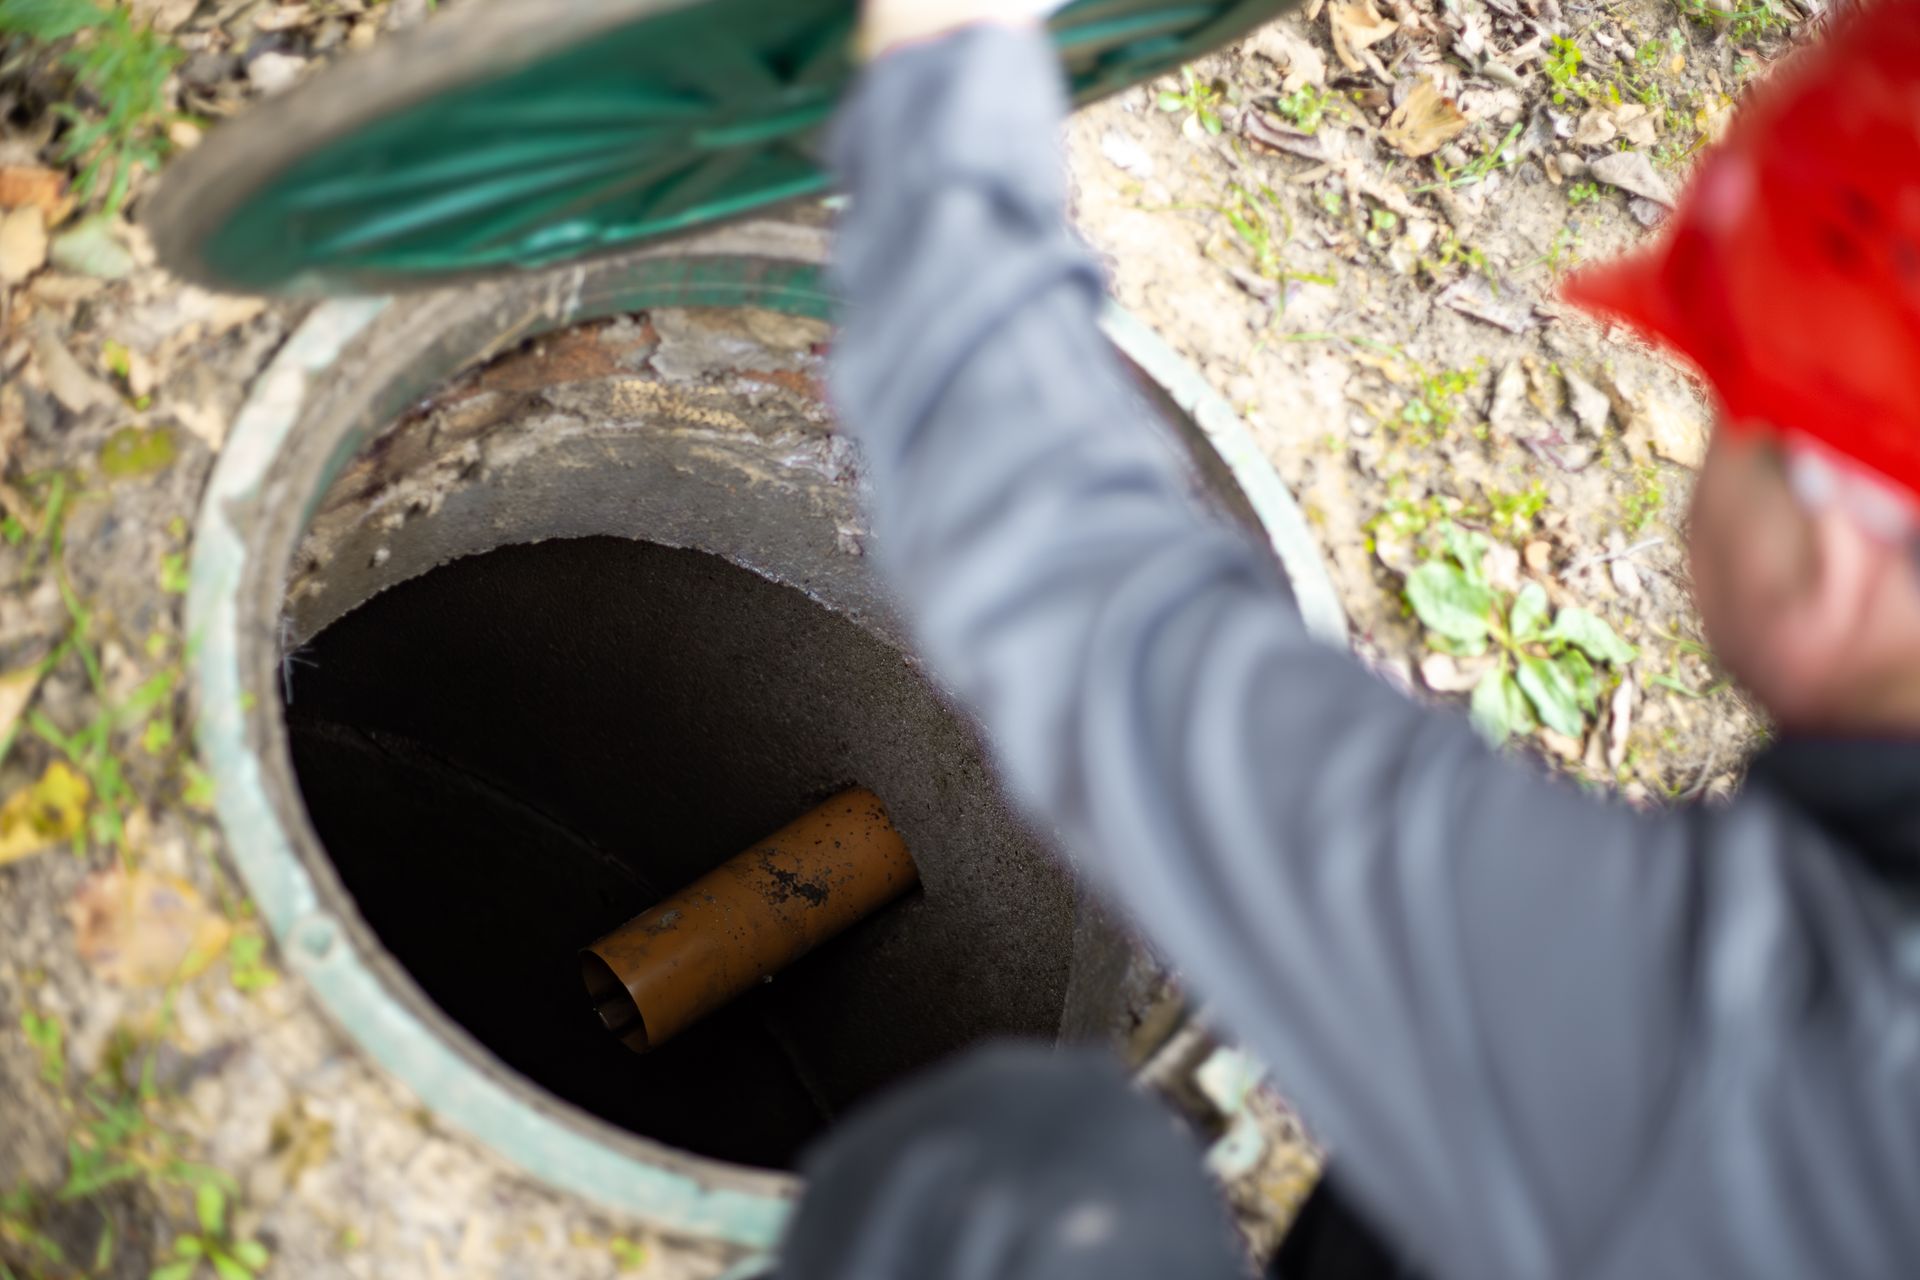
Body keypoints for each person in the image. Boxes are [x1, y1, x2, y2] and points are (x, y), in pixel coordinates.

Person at [775, 1, 1920, 1277]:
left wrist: (945, 72)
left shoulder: (1736, 1054)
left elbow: (1084, 611)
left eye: (1728, 401)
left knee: (996, 1213)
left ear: (1831, 544)